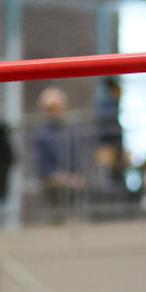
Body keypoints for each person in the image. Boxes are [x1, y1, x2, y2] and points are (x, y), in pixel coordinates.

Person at [31, 89, 88, 218]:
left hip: (74, 181)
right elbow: (42, 167)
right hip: (53, 184)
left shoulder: (75, 130)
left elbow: (81, 158)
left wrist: (76, 177)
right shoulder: (42, 134)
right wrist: (60, 177)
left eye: (58, 107)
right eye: (51, 108)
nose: (55, 111)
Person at [93, 78, 130, 202]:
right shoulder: (107, 106)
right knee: (109, 177)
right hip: (109, 146)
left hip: (114, 145)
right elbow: (105, 127)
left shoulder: (112, 106)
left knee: (116, 177)